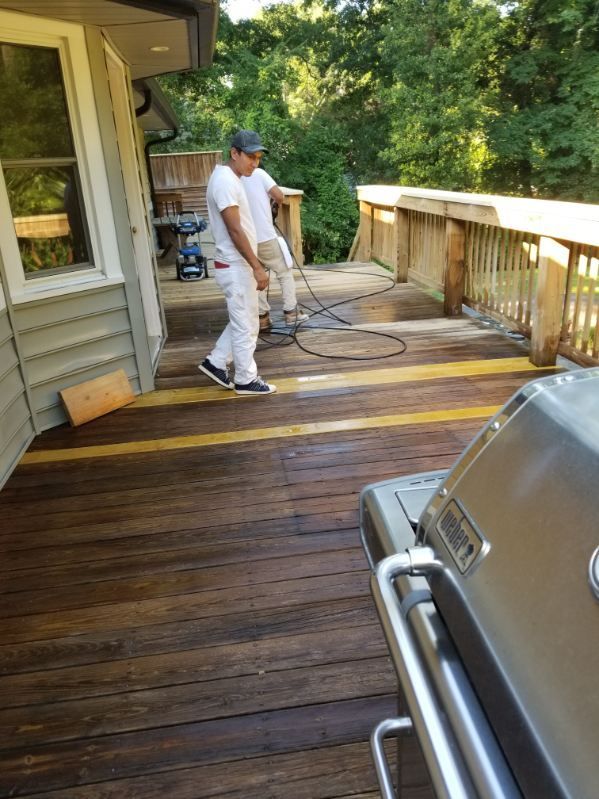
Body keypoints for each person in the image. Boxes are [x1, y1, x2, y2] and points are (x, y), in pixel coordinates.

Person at [198, 130, 277, 395]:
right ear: (234, 153)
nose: (255, 163)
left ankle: (216, 362)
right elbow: (234, 230)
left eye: (258, 158)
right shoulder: (224, 182)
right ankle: (246, 379)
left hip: (235, 264)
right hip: (235, 265)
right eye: (250, 157)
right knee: (246, 324)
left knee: (244, 319)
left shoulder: (230, 178)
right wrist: (256, 267)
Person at [242, 167, 309, 331]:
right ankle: (291, 312)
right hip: (265, 236)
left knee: (256, 276)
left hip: (246, 239)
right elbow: (279, 196)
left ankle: (262, 318)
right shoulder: (259, 173)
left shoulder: (233, 178)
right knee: (284, 271)